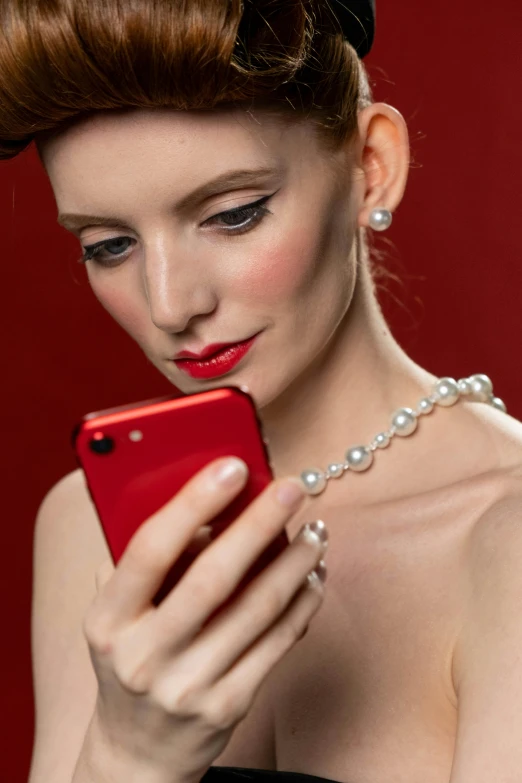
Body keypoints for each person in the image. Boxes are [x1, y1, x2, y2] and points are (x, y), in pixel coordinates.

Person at [2, 1, 521, 781]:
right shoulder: (86, 526)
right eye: (109, 244)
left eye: (233, 214)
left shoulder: (505, 537)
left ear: (371, 165)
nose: (172, 304)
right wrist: (128, 756)